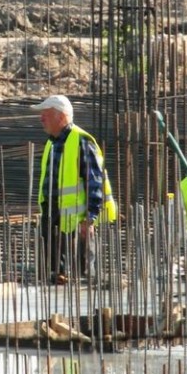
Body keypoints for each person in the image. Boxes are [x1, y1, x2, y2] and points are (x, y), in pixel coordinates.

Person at [32, 95, 117, 284]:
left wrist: (90, 217)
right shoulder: (52, 143)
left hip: (77, 220)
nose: (41, 119)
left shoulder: (81, 141)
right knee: (55, 275)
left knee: (82, 276)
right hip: (53, 215)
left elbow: (95, 181)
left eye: (46, 115)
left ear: (61, 117)